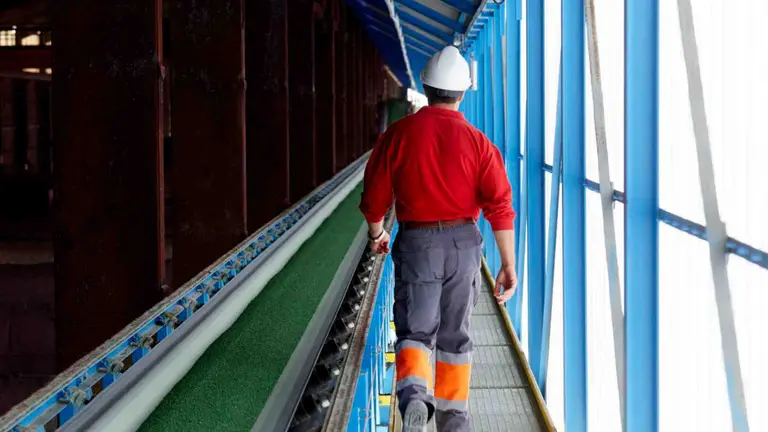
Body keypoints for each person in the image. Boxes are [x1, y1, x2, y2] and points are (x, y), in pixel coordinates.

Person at [359, 45, 518, 432]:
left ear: (425, 87)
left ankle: (415, 398)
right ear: (463, 93)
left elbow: (374, 197)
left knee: (416, 330)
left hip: (418, 244)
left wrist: (378, 233)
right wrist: (508, 264)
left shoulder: (398, 135)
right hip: (465, 245)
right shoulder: (480, 143)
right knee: (455, 336)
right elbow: (500, 205)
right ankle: (454, 418)